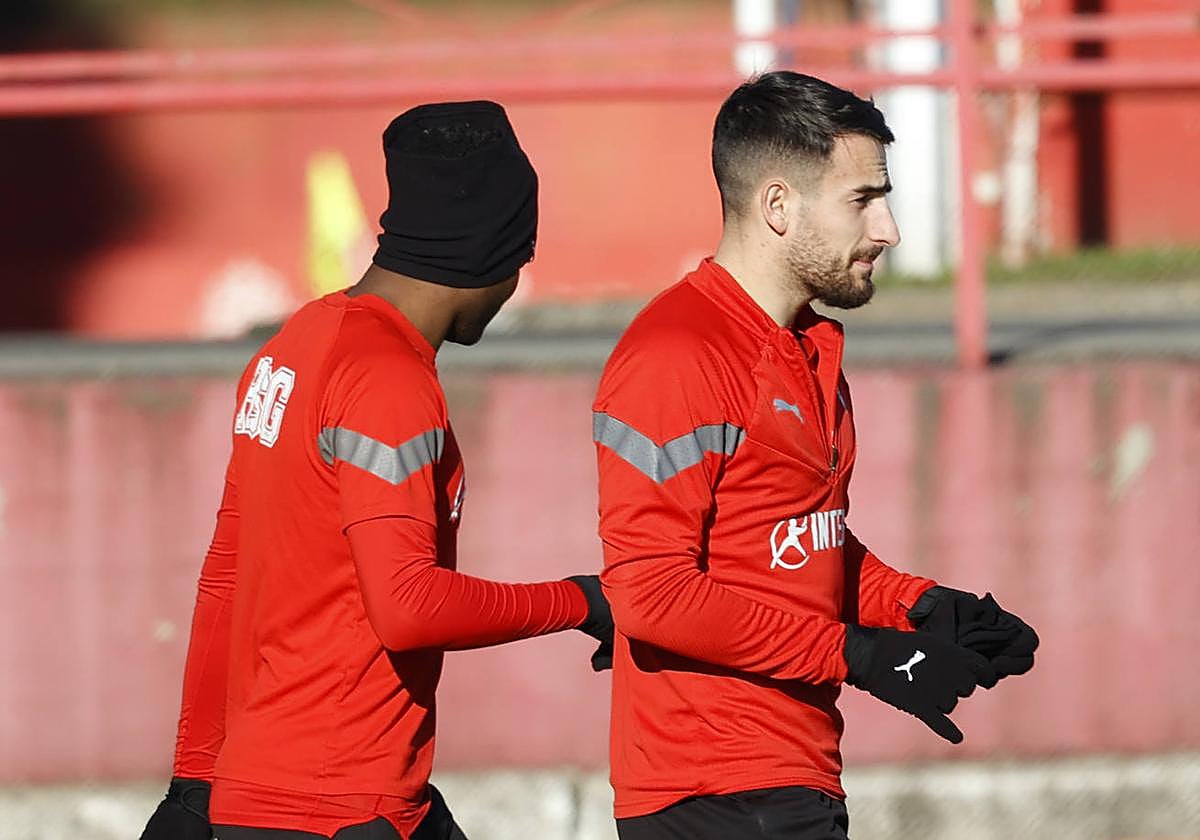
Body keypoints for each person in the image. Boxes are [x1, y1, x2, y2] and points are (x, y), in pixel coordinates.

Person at [140, 100, 613, 840]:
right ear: (487, 251)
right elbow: (408, 607)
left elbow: (225, 580)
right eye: (519, 261)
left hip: (270, 790)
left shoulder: (293, 346)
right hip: (339, 809)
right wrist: (581, 601)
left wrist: (194, 784)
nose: (515, 286)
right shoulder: (390, 380)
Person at [592, 71, 1037, 840]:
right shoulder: (675, 354)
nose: (888, 230)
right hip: (711, 795)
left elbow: (791, 543)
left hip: (790, 781)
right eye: (863, 201)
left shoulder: (806, 347)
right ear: (777, 207)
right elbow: (651, 594)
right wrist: (860, 655)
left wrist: (920, 606)